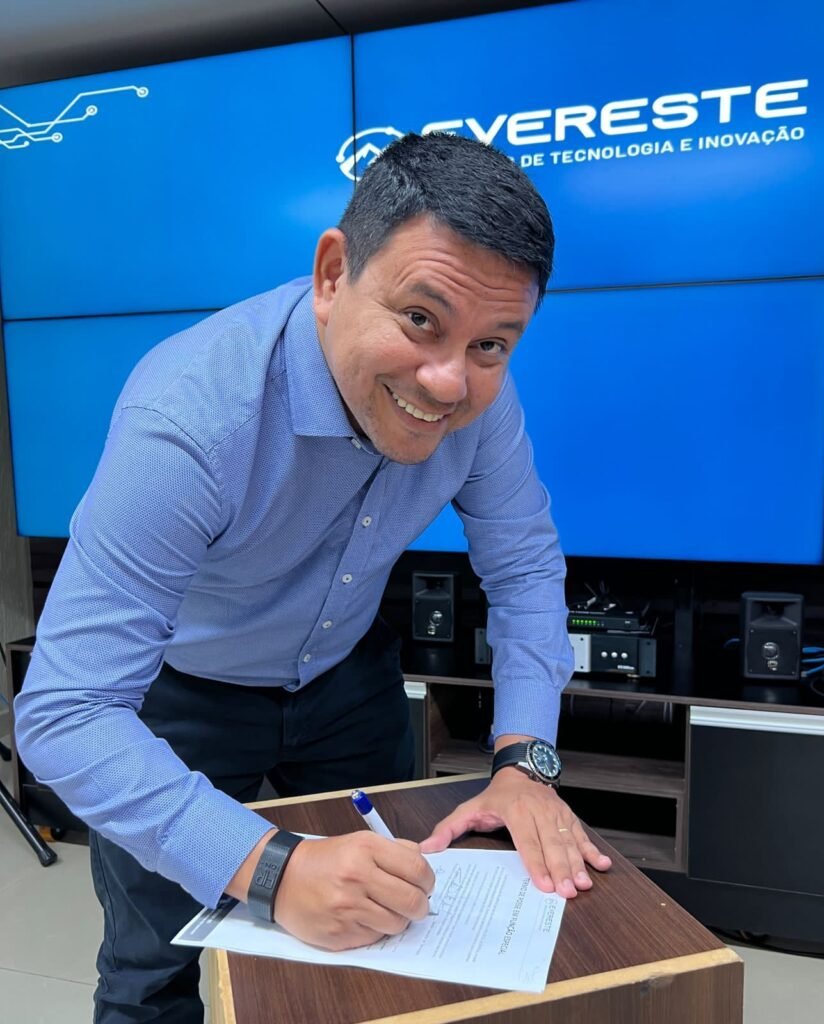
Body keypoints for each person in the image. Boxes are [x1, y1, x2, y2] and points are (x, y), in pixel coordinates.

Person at [14, 132, 611, 1023]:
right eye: (420, 319)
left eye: (492, 343)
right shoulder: (188, 420)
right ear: (334, 274)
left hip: (346, 679)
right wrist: (271, 870)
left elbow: (523, 565)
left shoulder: (480, 399)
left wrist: (526, 762)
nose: (448, 381)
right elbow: (65, 711)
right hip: (185, 695)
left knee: (386, 939)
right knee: (152, 972)